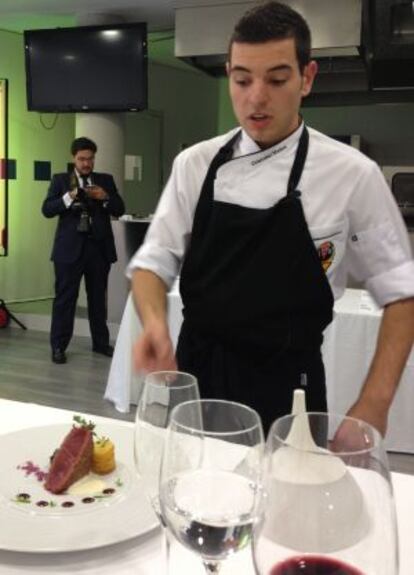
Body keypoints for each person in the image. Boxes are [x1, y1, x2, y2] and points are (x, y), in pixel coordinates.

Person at [128, 2, 414, 434]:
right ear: (229, 76)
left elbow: (402, 294)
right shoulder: (196, 163)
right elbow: (154, 261)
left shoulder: (352, 174)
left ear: (307, 78)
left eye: (277, 79)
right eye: (242, 80)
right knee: (190, 496)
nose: (256, 97)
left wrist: (374, 402)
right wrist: (154, 323)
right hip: (197, 381)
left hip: (289, 389)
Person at [42, 137, 125, 364]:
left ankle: (100, 344)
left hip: (98, 250)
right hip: (68, 251)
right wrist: (69, 196)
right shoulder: (60, 180)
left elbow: (120, 208)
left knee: (98, 299)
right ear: (74, 158)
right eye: (82, 159)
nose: (86, 163)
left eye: (90, 159)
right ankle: (58, 347)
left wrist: (105, 197)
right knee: (65, 299)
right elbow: (47, 209)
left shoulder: (105, 180)